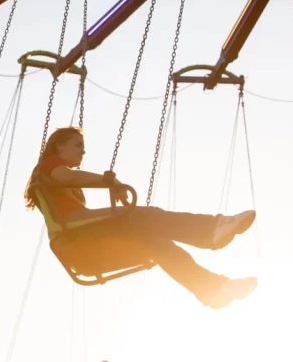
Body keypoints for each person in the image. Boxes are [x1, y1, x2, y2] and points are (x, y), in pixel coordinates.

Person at [24, 127, 258, 309]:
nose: (82, 151)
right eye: (77, 145)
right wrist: (109, 181)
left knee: (156, 243)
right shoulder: (49, 165)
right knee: (142, 215)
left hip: (83, 248)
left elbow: (68, 180)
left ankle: (214, 289)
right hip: (74, 238)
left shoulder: (52, 172)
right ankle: (211, 230)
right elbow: (67, 177)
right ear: (58, 146)